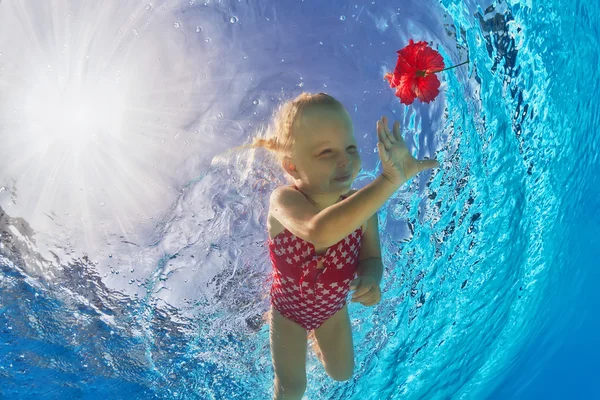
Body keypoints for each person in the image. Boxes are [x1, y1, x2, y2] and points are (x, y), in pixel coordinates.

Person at [235, 92, 439, 399]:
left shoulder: (362, 208)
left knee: (342, 373)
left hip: (331, 309)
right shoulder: (285, 201)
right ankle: (273, 327)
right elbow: (319, 232)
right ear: (292, 167)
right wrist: (388, 180)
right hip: (288, 310)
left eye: (350, 147)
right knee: (293, 387)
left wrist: (371, 279)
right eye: (326, 153)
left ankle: (317, 338)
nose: (344, 159)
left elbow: (371, 258)